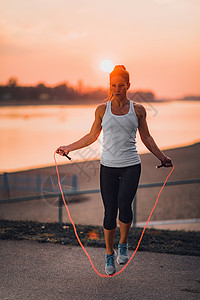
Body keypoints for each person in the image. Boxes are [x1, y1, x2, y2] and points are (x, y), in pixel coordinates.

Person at [56, 65, 173, 275]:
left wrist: (163, 158)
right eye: (113, 85)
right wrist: (68, 147)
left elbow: (146, 138)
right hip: (108, 167)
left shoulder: (138, 110)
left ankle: (123, 244)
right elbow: (91, 137)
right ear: (109, 86)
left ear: (128, 86)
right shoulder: (102, 110)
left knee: (124, 206)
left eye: (121, 85)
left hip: (131, 165)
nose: (116, 89)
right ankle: (109, 254)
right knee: (110, 213)